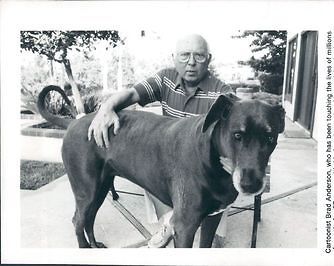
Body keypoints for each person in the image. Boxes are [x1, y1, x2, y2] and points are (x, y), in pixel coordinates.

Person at [88, 34, 232, 248]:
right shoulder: (166, 78)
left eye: (199, 56)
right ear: (174, 58)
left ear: (208, 59)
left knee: (216, 189)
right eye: (185, 55)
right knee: (145, 164)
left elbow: (237, 128)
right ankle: (170, 223)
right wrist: (106, 108)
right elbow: (131, 94)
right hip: (170, 159)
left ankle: (201, 234)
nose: (191, 62)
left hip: (202, 168)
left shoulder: (221, 92)